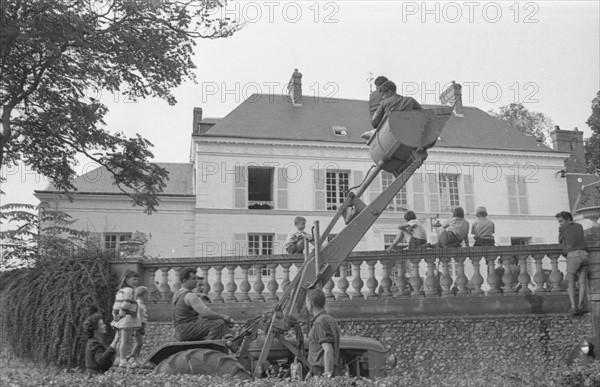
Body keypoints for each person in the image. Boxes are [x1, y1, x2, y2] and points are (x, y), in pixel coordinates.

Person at [172, 267, 234, 341]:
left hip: (180, 329)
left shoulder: (177, 294)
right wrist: (224, 316)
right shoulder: (190, 295)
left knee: (216, 322)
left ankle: (228, 338)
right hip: (187, 329)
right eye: (193, 278)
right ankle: (211, 347)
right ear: (185, 281)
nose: (196, 281)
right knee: (218, 323)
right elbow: (204, 313)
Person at [556, 211, 589, 316]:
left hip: (573, 255)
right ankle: (581, 306)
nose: (560, 223)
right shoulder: (579, 226)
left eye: (561, 221)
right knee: (583, 282)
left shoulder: (563, 228)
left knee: (571, 283)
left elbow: (560, 240)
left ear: (568, 219)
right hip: (585, 254)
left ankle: (574, 307)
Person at [306, 288, 342, 378]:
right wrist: (311, 371)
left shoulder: (320, 322)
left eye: (306, 302)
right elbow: (319, 351)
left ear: (310, 304)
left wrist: (327, 378)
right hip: (328, 369)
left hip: (322, 371)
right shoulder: (332, 319)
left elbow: (328, 351)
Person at [111, 269, 139, 368]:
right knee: (125, 340)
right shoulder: (130, 290)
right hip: (126, 318)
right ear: (127, 280)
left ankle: (118, 359)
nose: (136, 282)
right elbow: (126, 303)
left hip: (120, 319)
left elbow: (116, 305)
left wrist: (116, 316)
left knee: (119, 340)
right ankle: (123, 361)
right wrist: (121, 314)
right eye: (134, 279)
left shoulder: (121, 290)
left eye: (137, 279)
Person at [83, 306, 120, 375]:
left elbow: (107, 357)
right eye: (102, 324)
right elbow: (101, 360)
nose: (105, 325)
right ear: (96, 328)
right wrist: (115, 342)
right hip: (93, 377)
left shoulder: (99, 341)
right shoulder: (93, 343)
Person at [127, 286, 148, 368]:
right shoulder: (138, 304)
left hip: (141, 325)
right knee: (138, 342)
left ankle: (137, 358)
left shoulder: (142, 304)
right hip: (137, 326)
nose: (147, 296)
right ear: (142, 295)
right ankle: (131, 356)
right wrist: (136, 328)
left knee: (140, 343)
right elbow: (137, 316)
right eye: (146, 295)